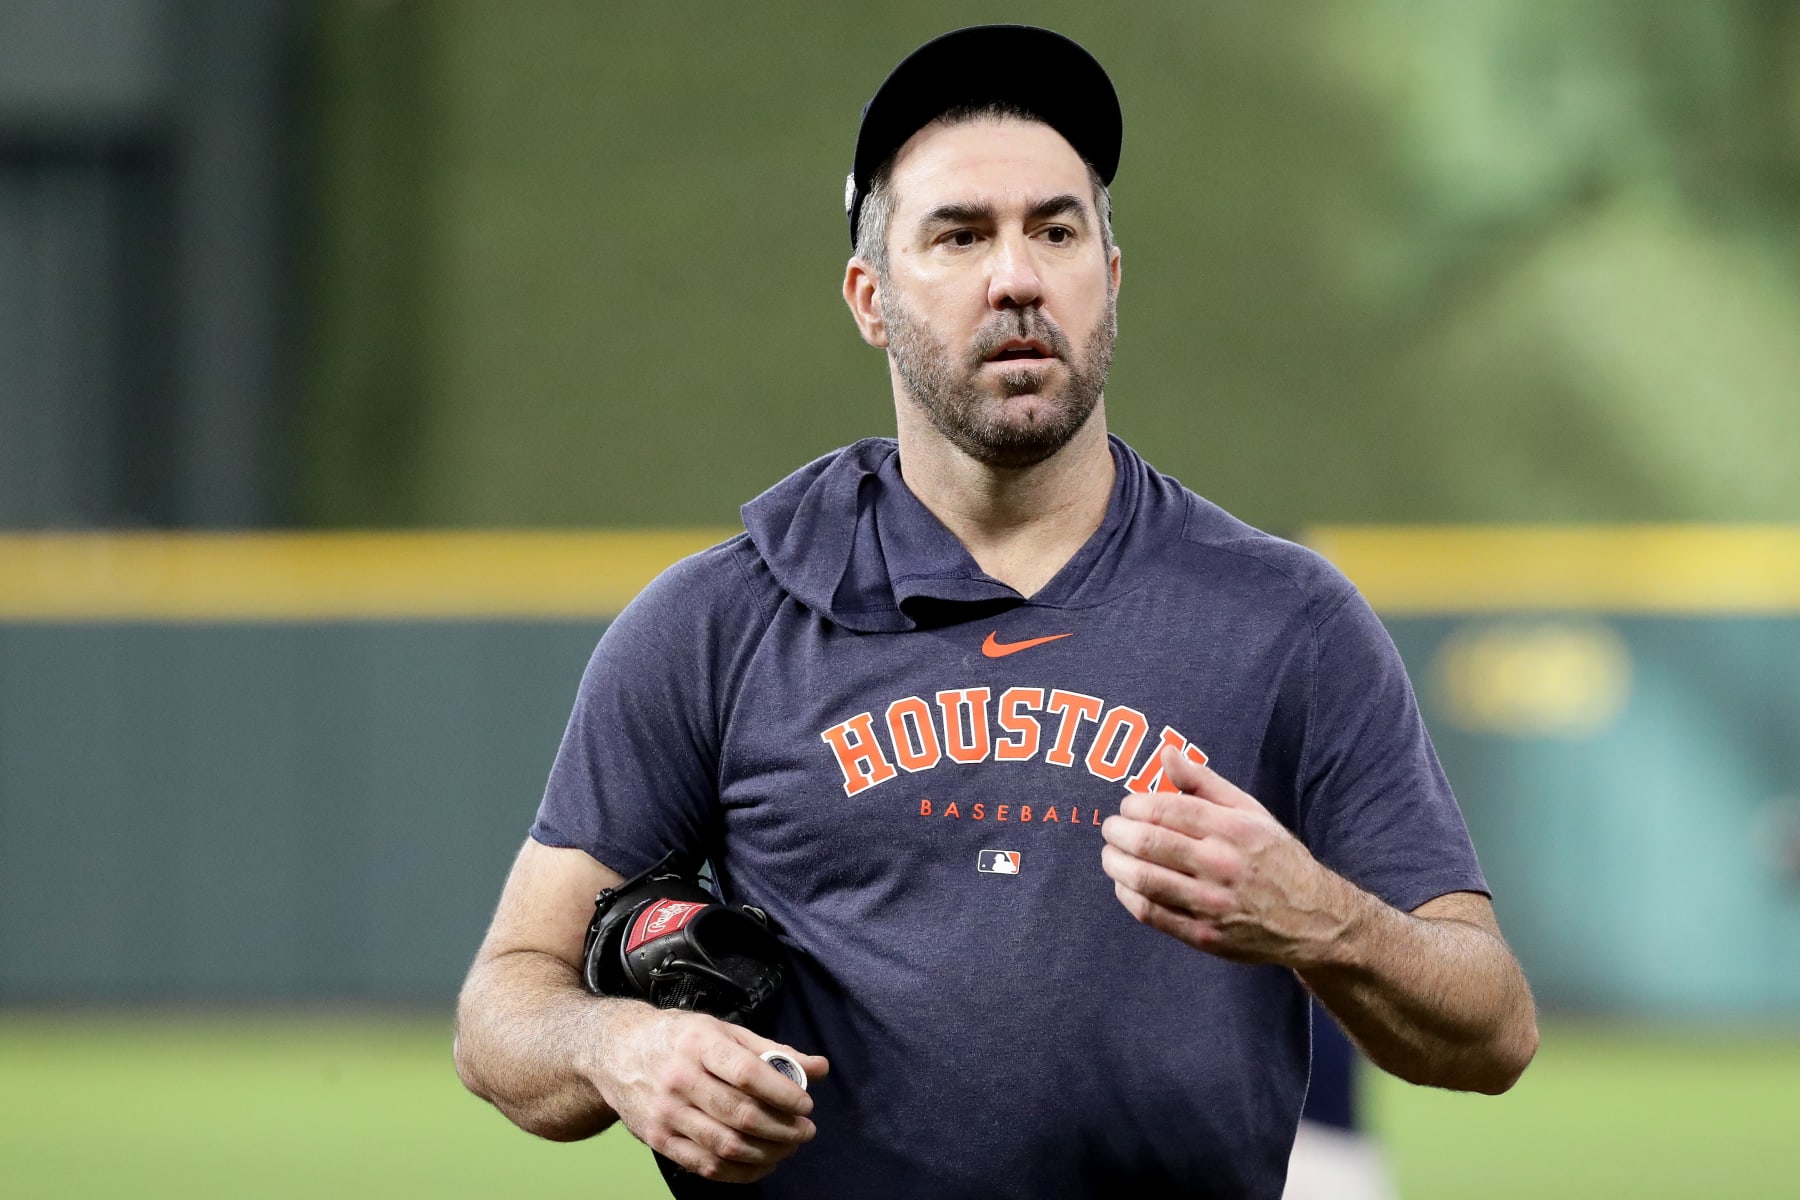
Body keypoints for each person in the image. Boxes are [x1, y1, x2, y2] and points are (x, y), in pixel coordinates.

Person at [453, 24, 1538, 1199]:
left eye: (1056, 230)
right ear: (871, 299)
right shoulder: (719, 623)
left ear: (1110, 278)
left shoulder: (1287, 619)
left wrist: (1319, 917)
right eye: (960, 234)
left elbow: (1493, 1034)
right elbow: (503, 1007)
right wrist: (620, 1046)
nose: (1016, 275)